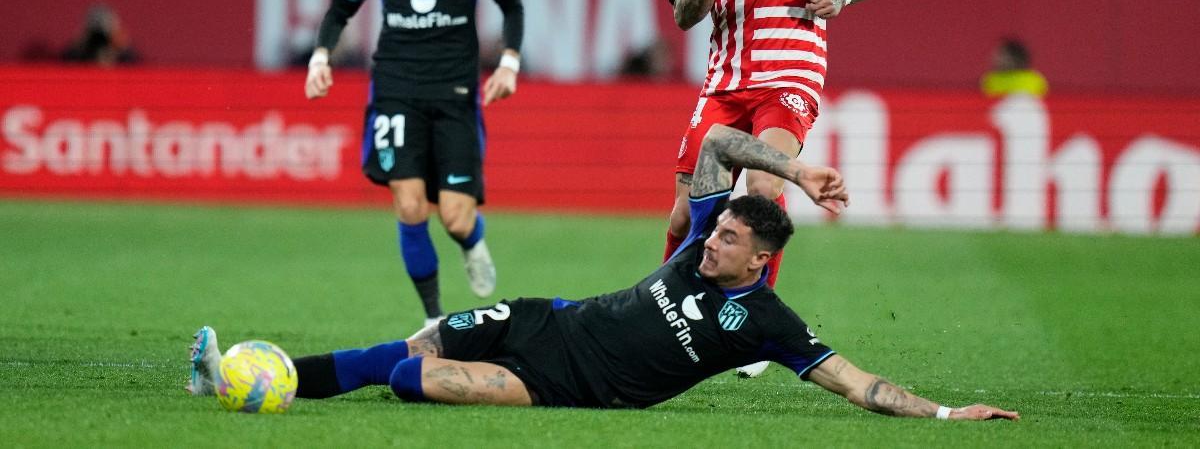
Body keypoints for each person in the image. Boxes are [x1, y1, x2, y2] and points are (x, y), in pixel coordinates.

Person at [186, 124, 1019, 421]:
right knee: (414, 341)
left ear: (761, 260)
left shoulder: (766, 323)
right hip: (549, 318)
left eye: (727, 236)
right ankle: (257, 377)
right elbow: (720, 148)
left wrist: (945, 411)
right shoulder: (700, 241)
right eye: (716, 225)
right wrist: (794, 172)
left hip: (574, 384)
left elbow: (857, 381)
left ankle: (280, 379)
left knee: (416, 379)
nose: (709, 237)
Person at [665, 0, 885, 377]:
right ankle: (671, 318)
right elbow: (684, 16)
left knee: (764, 184)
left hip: (788, 79)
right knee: (682, 217)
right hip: (723, 86)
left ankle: (753, 319)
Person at [304, 0, 525, 329]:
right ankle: (432, 318)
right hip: (395, 88)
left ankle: (472, 241)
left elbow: (510, 3)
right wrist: (322, 56)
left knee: (455, 217)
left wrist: (509, 62)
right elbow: (341, 7)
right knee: (408, 205)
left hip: (456, 92)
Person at [980, 38, 1047, 97]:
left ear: (1015, 57)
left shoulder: (1034, 79)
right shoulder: (990, 80)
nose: (996, 58)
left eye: (1002, 55)